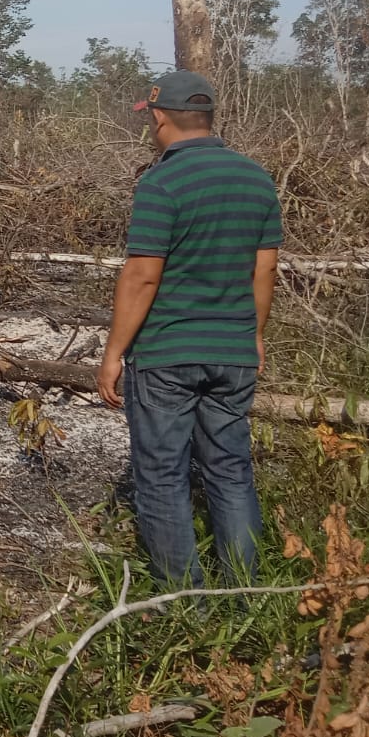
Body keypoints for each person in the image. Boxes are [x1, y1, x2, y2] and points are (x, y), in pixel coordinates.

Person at [97, 70, 282, 589]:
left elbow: (142, 274)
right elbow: (263, 269)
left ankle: (183, 606)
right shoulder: (256, 178)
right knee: (230, 471)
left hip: (167, 355)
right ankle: (248, 597)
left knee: (160, 477)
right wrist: (255, 336)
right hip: (234, 351)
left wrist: (114, 352)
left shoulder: (161, 182)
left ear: (159, 118)